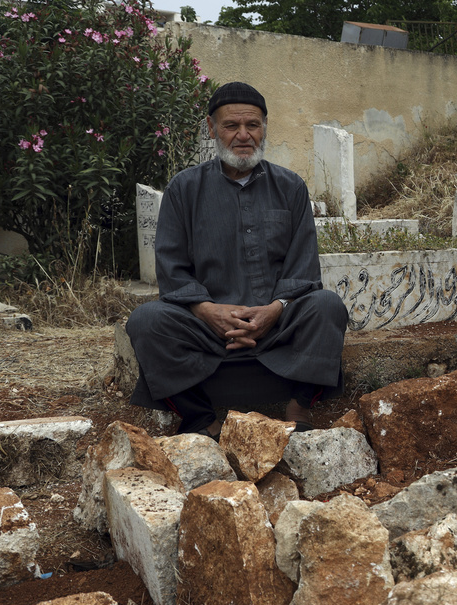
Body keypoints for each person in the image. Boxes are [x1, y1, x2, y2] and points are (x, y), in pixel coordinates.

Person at [126, 82, 348, 439]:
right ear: (213, 129)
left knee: (327, 306)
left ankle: (298, 414)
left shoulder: (290, 187)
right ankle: (204, 422)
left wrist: (273, 310)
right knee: (146, 320)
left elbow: (303, 267)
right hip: (206, 328)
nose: (244, 135)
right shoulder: (184, 189)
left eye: (253, 125)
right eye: (231, 126)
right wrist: (207, 311)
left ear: (264, 128)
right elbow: (171, 269)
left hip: (277, 326)